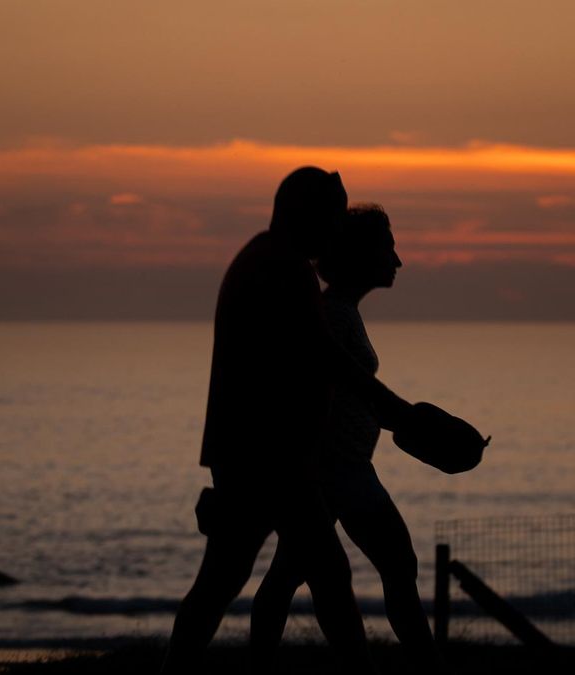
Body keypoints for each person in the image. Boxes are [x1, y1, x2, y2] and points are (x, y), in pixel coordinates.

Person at [160, 169, 414, 675]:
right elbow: (327, 359)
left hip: (264, 457)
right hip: (268, 460)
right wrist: (405, 417)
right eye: (333, 216)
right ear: (308, 213)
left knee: (240, 579)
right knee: (288, 576)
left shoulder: (266, 260)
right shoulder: (282, 268)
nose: (338, 231)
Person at [249, 205, 447, 674]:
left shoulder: (339, 313)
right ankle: (426, 670)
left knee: (291, 578)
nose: (397, 260)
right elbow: (340, 389)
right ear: (361, 255)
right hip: (335, 471)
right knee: (392, 564)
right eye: (388, 248)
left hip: (345, 468)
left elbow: (348, 396)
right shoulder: (333, 317)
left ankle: (260, 671)